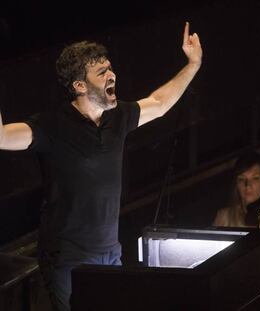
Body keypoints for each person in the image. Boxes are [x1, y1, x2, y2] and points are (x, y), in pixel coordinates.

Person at [0, 22, 202, 311]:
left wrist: (193, 64)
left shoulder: (117, 117)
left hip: (110, 251)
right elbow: (3, 136)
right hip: (68, 258)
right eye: (102, 72)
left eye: (110, 68)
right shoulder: (51, 126)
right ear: (79, 86)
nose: (112, 75)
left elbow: (159, 103)